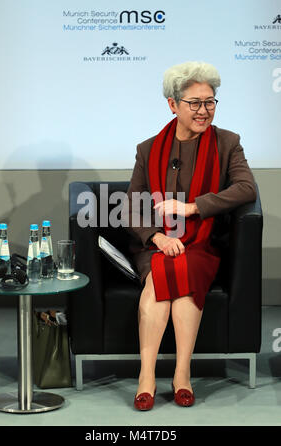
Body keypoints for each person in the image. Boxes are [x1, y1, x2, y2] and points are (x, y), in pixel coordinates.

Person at [122, 61, 257, 410]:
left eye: (210, 101)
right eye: (194, 103)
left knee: (182, 273)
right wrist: (156, 238)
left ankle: (181, 374)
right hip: (156, 244)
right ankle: (147, 376)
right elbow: (131, 207)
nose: (203, 110)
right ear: (173, 104)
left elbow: (245, 189)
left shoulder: (228, 143)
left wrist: (194, 208)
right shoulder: (148, 149)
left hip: (202, 242)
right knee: (163, 270)